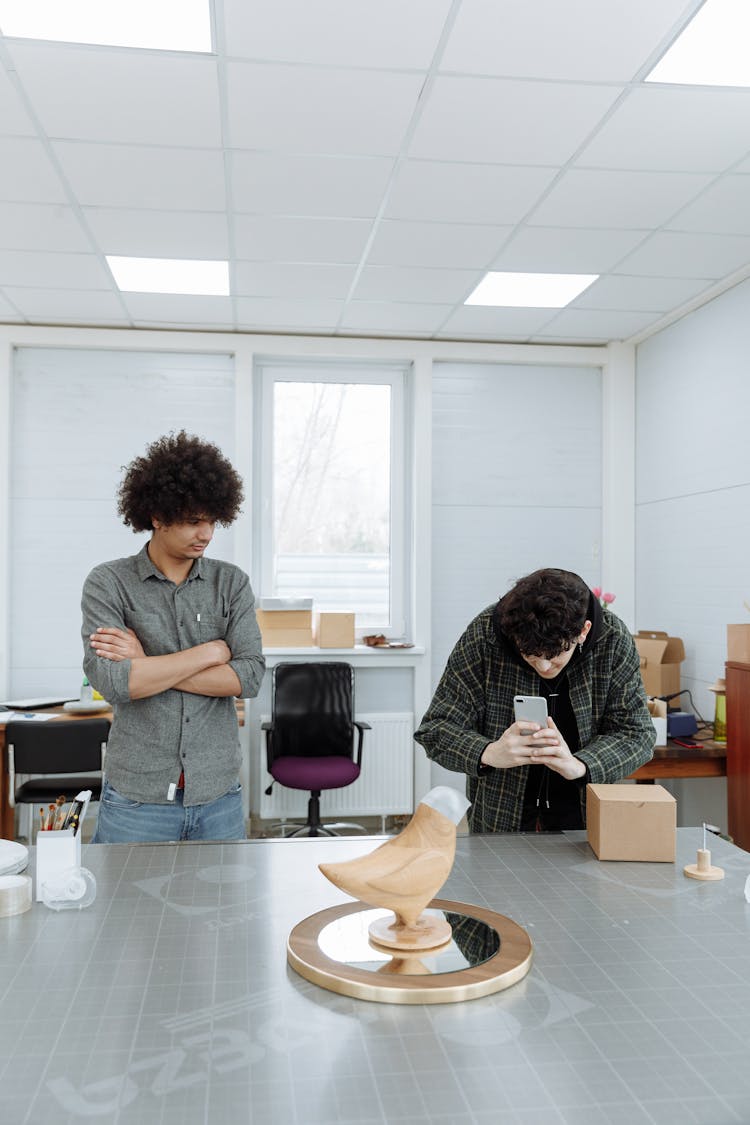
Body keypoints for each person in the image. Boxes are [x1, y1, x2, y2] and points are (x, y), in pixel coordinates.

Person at [81, 431, 265, 843]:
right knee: (125, 908)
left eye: (212, 521)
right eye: (193, 521)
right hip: (136, 800)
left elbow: (249, 678)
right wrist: (213, 652)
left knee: (221, 909)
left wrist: (147, 663)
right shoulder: (109, 582)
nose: (207, 533)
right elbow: (115, 682)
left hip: (219, 794)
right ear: (157, 517)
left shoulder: (230, 583)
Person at [414, 568, 654, 834]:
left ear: (583, 631)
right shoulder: (485, 635)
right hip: (500, 816)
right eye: (529, 655)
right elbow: (435, 730)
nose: (544, 665)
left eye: (555, 656)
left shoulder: (613, 641)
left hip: (583, 818)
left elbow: (637, 734)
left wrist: (581, 765)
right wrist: (489, 753)